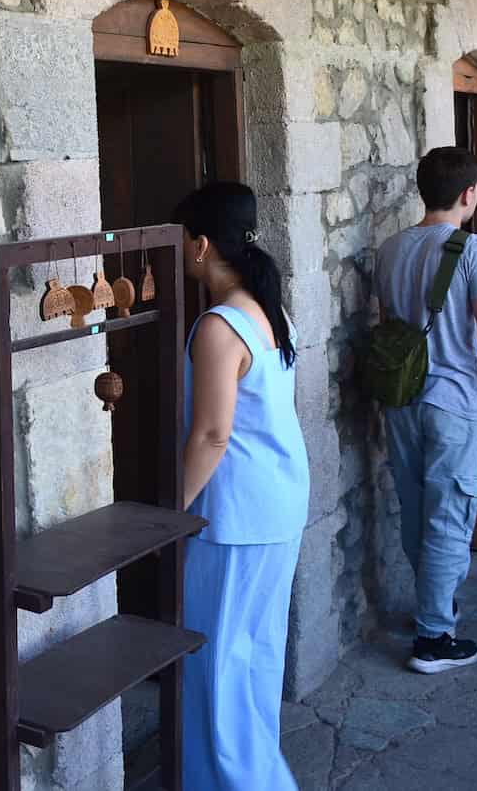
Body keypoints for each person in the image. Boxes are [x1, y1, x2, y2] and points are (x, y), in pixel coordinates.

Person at [375, 146, 477, 671]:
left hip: (401, 400)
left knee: (416, 508)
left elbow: (390, 328)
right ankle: (433, 637)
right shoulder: (476, 250)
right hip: (454, 402)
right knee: (450, 514)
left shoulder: (391, 249)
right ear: (470, 193)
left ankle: (433, 604)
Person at [172, 181, 308, 791]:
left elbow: (212, 435)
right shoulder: (269, 310)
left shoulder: (219, 326)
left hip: (236, 518)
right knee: (252, 660)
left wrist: (168, 513)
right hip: (276, 504)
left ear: (200, 245)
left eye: (181, 243)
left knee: (219, 668)